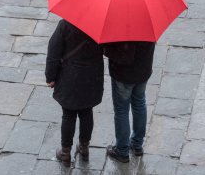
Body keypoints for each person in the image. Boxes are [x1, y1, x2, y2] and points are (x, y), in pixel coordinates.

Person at [45, 19, 104, 167]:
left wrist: (50, 77)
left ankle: (65, 153)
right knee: (86, 112)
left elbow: (53, 52)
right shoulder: (101, 25)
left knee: (68, 114)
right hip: (91, 76)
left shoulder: (65, 25)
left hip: (69, 76)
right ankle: (84, 148)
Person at [103, 41, 155, 163]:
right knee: (139, 104)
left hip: (124, 75)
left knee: (121, 110)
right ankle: (137, 144)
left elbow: (125, 56)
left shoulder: (121, 28)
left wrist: (105, 49)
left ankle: (122, 150)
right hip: (143, 70)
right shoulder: (147, 23)